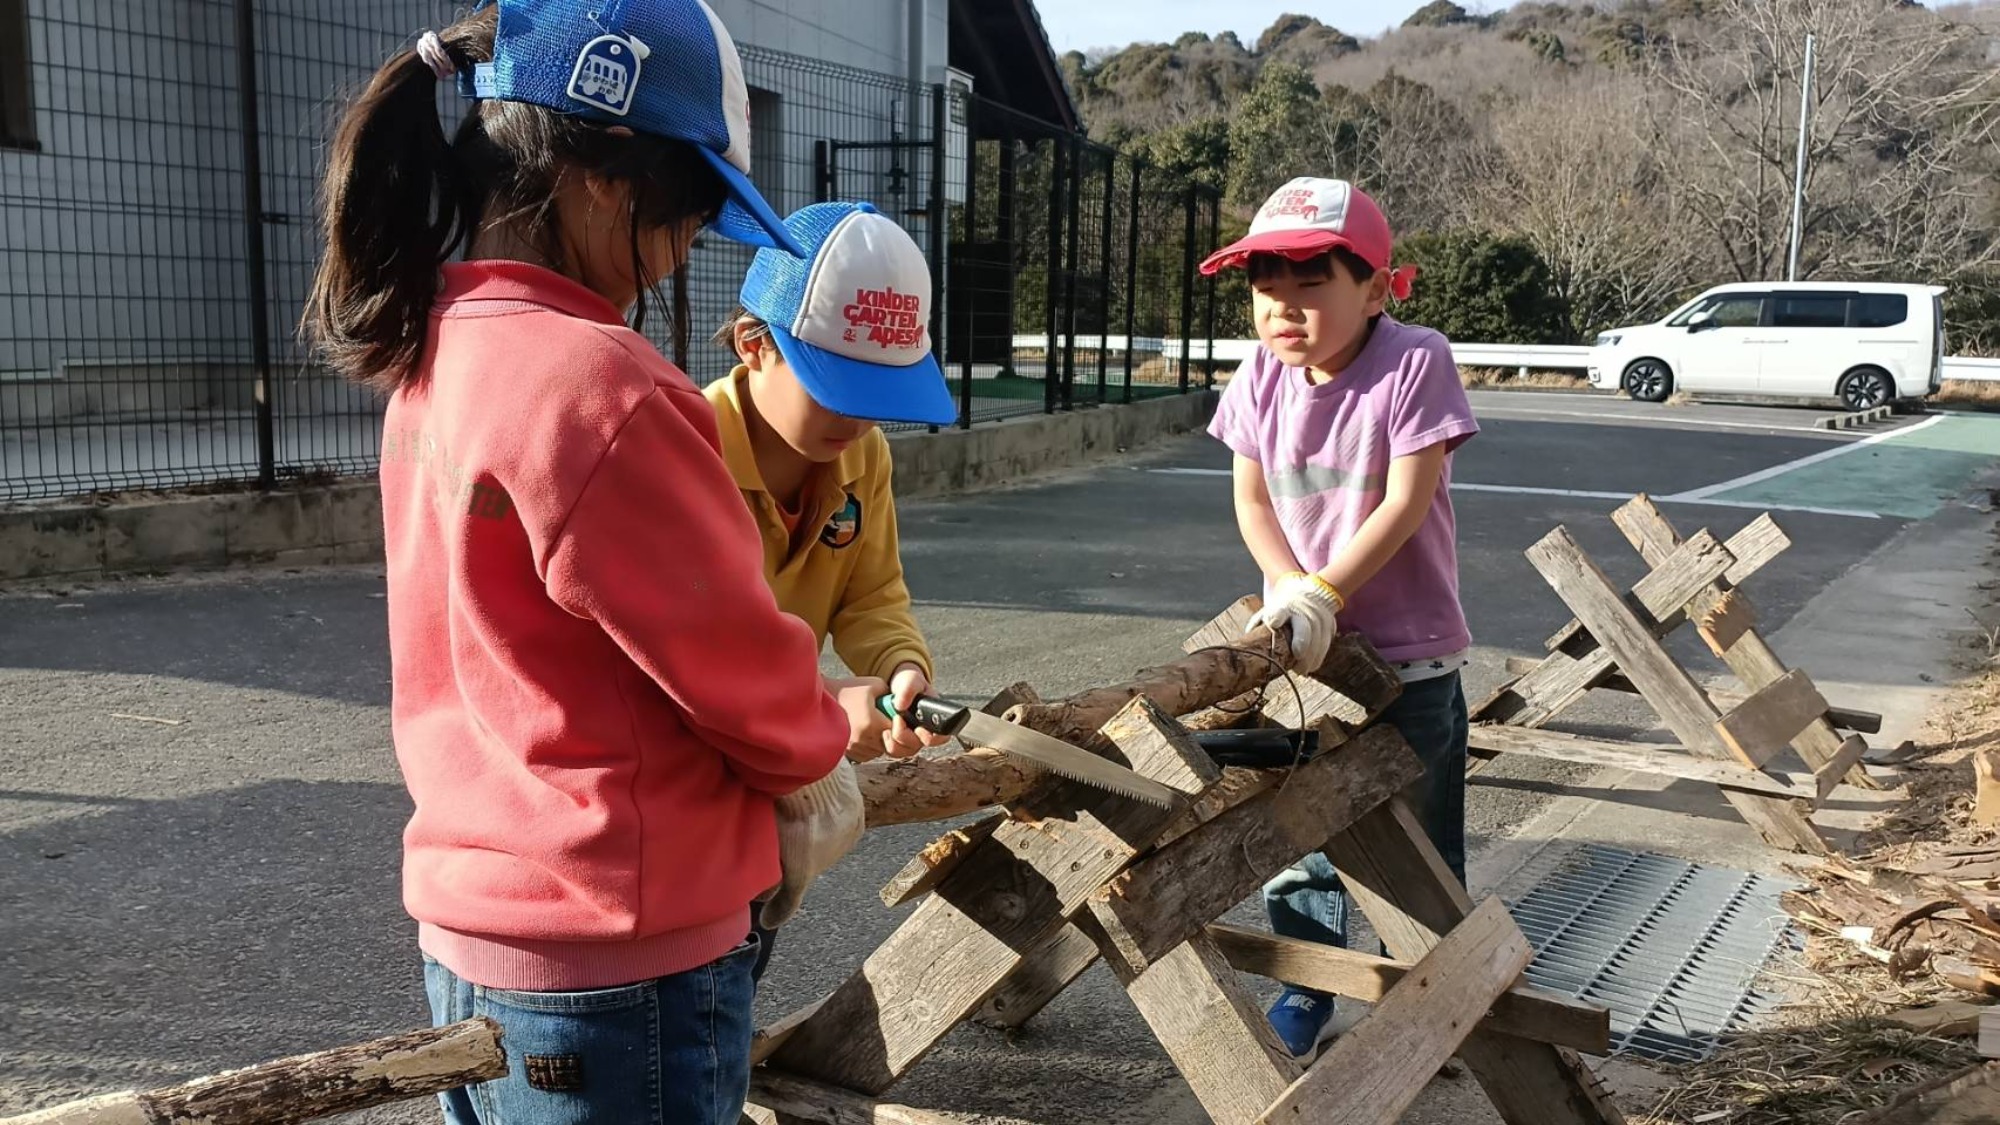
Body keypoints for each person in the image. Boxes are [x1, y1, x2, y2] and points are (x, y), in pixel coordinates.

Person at [302, 3, 890, 1121]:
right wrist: (825, 736)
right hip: (623, 957)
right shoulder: (600, 384)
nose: (679, 253)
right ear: (604, 173)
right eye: (688, 216)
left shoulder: (436, 350)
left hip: (478, 924)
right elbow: (731, 665)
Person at [1200, 177, 1480, 1060]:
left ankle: (1448, 995)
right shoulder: (1257, 376)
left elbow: (1407, 499)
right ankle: (1307, 983)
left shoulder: (1413, 360)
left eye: (1311, 282)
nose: (1284, 307)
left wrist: (1326, 590)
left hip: (1409, 656)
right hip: (1306, 659)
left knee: (1417, 847)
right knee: (1303, 830)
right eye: (1265, 286)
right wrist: (1288, 586)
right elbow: (1250, 496)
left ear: (1373, 285)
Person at [706, 200, 960, 978]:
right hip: (695, 784)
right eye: (837, 384)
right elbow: (702, 648)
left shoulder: (863, 457)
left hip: (775, 771)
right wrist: (820, 705)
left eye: (880, 389)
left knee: (737, 982)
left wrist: (901, 670)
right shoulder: (688, 446)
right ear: (757, 345)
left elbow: (870, 595)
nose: (859, 416)